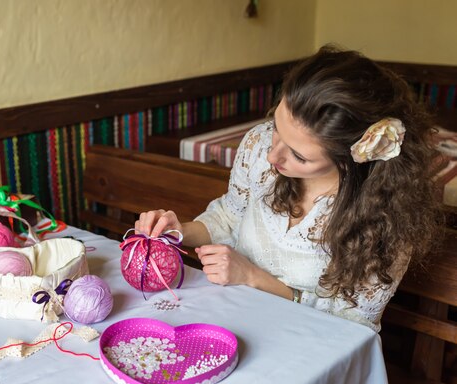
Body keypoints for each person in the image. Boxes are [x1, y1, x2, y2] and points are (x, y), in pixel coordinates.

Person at [135, 45, 444, 332]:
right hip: (231, 316)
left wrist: (254, 278)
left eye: (299, 156)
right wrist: (178, 231)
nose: (272, 156)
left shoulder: (387, 211)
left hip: (311, 342)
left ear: (351, 158)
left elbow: (353, 321)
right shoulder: (258, 146)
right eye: (276, 129)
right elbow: (231, 214)